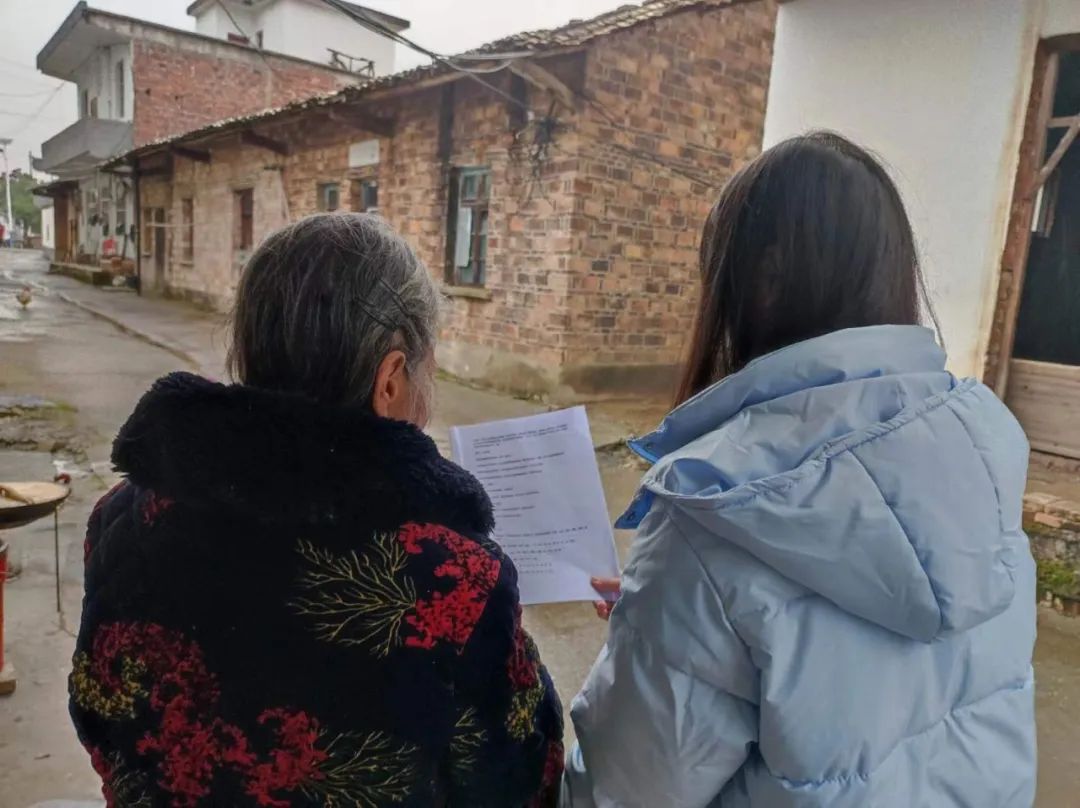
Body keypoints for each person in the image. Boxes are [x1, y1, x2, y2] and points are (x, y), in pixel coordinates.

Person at [563, 132, 1036, 807]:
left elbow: (622, 794)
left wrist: (676, 623)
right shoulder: (978, 448)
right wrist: (674, 625)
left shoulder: (712, 509)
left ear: (761, 280)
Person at [70, 214, 563, 807]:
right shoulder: (454, 579)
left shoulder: (123, 518)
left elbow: (99, 715)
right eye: (427, 370)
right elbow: (523, 779)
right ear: (390, 381)